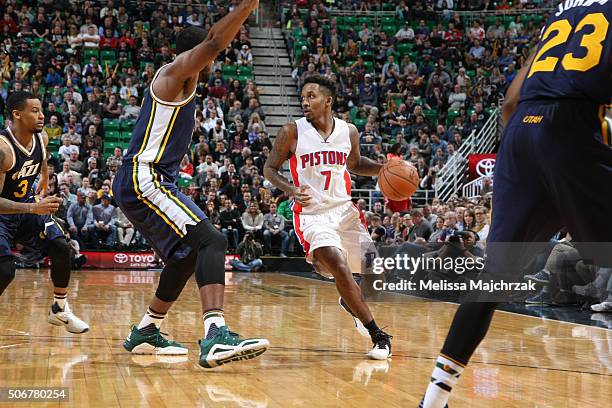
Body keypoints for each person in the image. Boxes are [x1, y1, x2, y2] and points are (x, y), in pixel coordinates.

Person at [419, 2, 612, 407]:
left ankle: (433, 400)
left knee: (493, 277)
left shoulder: (561, 15)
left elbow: (509, 101)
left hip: (521, 130)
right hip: (573, 125)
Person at [111, 0, 268, 368]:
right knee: (212, 240)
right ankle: (215, 335)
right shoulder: (175, 74)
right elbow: (214, 42)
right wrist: (246, 8)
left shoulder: (185, 83)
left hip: (149, 179)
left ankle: (147, 331)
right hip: (143, 176)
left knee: (185, 256)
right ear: (198, 56)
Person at [264, 75, 392, 360]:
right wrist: (290, 189)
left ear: (328, 100)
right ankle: (378, 335)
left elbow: (356, 164)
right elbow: (269, 168)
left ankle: (350, 302)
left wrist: (384, 169)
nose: (305, 102)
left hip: (345, 212)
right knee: (338, 262)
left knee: (377, 274)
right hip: (312, 214)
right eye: (303, 98)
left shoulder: (349, 131)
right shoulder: (291, 132)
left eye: (311, 96)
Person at [0, 91, 89, 333]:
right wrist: (33, 206)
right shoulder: (3, 150)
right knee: (6, 270)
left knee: (62, 247)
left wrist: (45, 178)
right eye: (35, 111)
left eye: (41, 110)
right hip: (4, 215)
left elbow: (41, 163)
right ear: (17, 115)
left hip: (27, 208)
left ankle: (59, 309)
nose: (42, 116)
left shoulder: (42, 140)